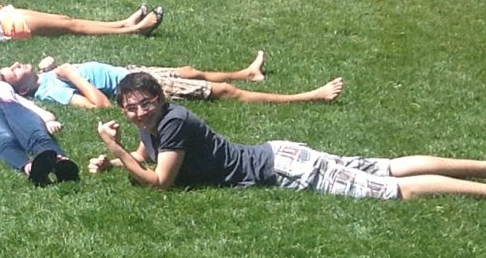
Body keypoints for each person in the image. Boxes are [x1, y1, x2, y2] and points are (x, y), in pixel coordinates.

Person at [90, 70, 486, 199]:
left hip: (285, 169)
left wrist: (114, 146)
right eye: (132, 107)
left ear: (159, 98)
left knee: (391, 189)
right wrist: (111, 161)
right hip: (281, 153)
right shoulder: (157, 125)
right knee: (384, 166)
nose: (140, 112)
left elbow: (161, 183)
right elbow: (145, 156)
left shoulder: (173, 122)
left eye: (145, 103)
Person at [0, 54, 342, 109]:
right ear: (23, 89)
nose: (13, 64)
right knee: (224, 93)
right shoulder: (51, 89)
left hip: (131, 70)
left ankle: (248, 72)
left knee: (189, 71)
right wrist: (70, 75)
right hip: (134, 87)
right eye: (12, 72)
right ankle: (310, 96)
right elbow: (97, 105)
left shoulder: (43, 75)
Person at [0, 1, 164, 41]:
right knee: (71, 28)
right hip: (5, 27)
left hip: (2, 15)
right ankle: (135, 29)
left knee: (65, 19)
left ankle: (123, 23)